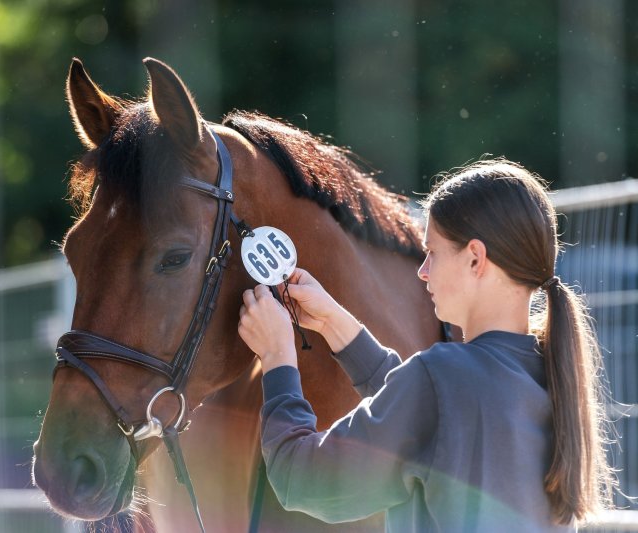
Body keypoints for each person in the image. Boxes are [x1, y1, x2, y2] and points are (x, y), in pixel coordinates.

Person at [238, 158, 615, 532]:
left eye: (432, 252)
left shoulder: (444, 377)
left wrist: (277, 358)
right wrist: (334, 324)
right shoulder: (547, 373)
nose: (423, 270)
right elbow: (430, 412)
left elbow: (301, 479)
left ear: (475, 258)